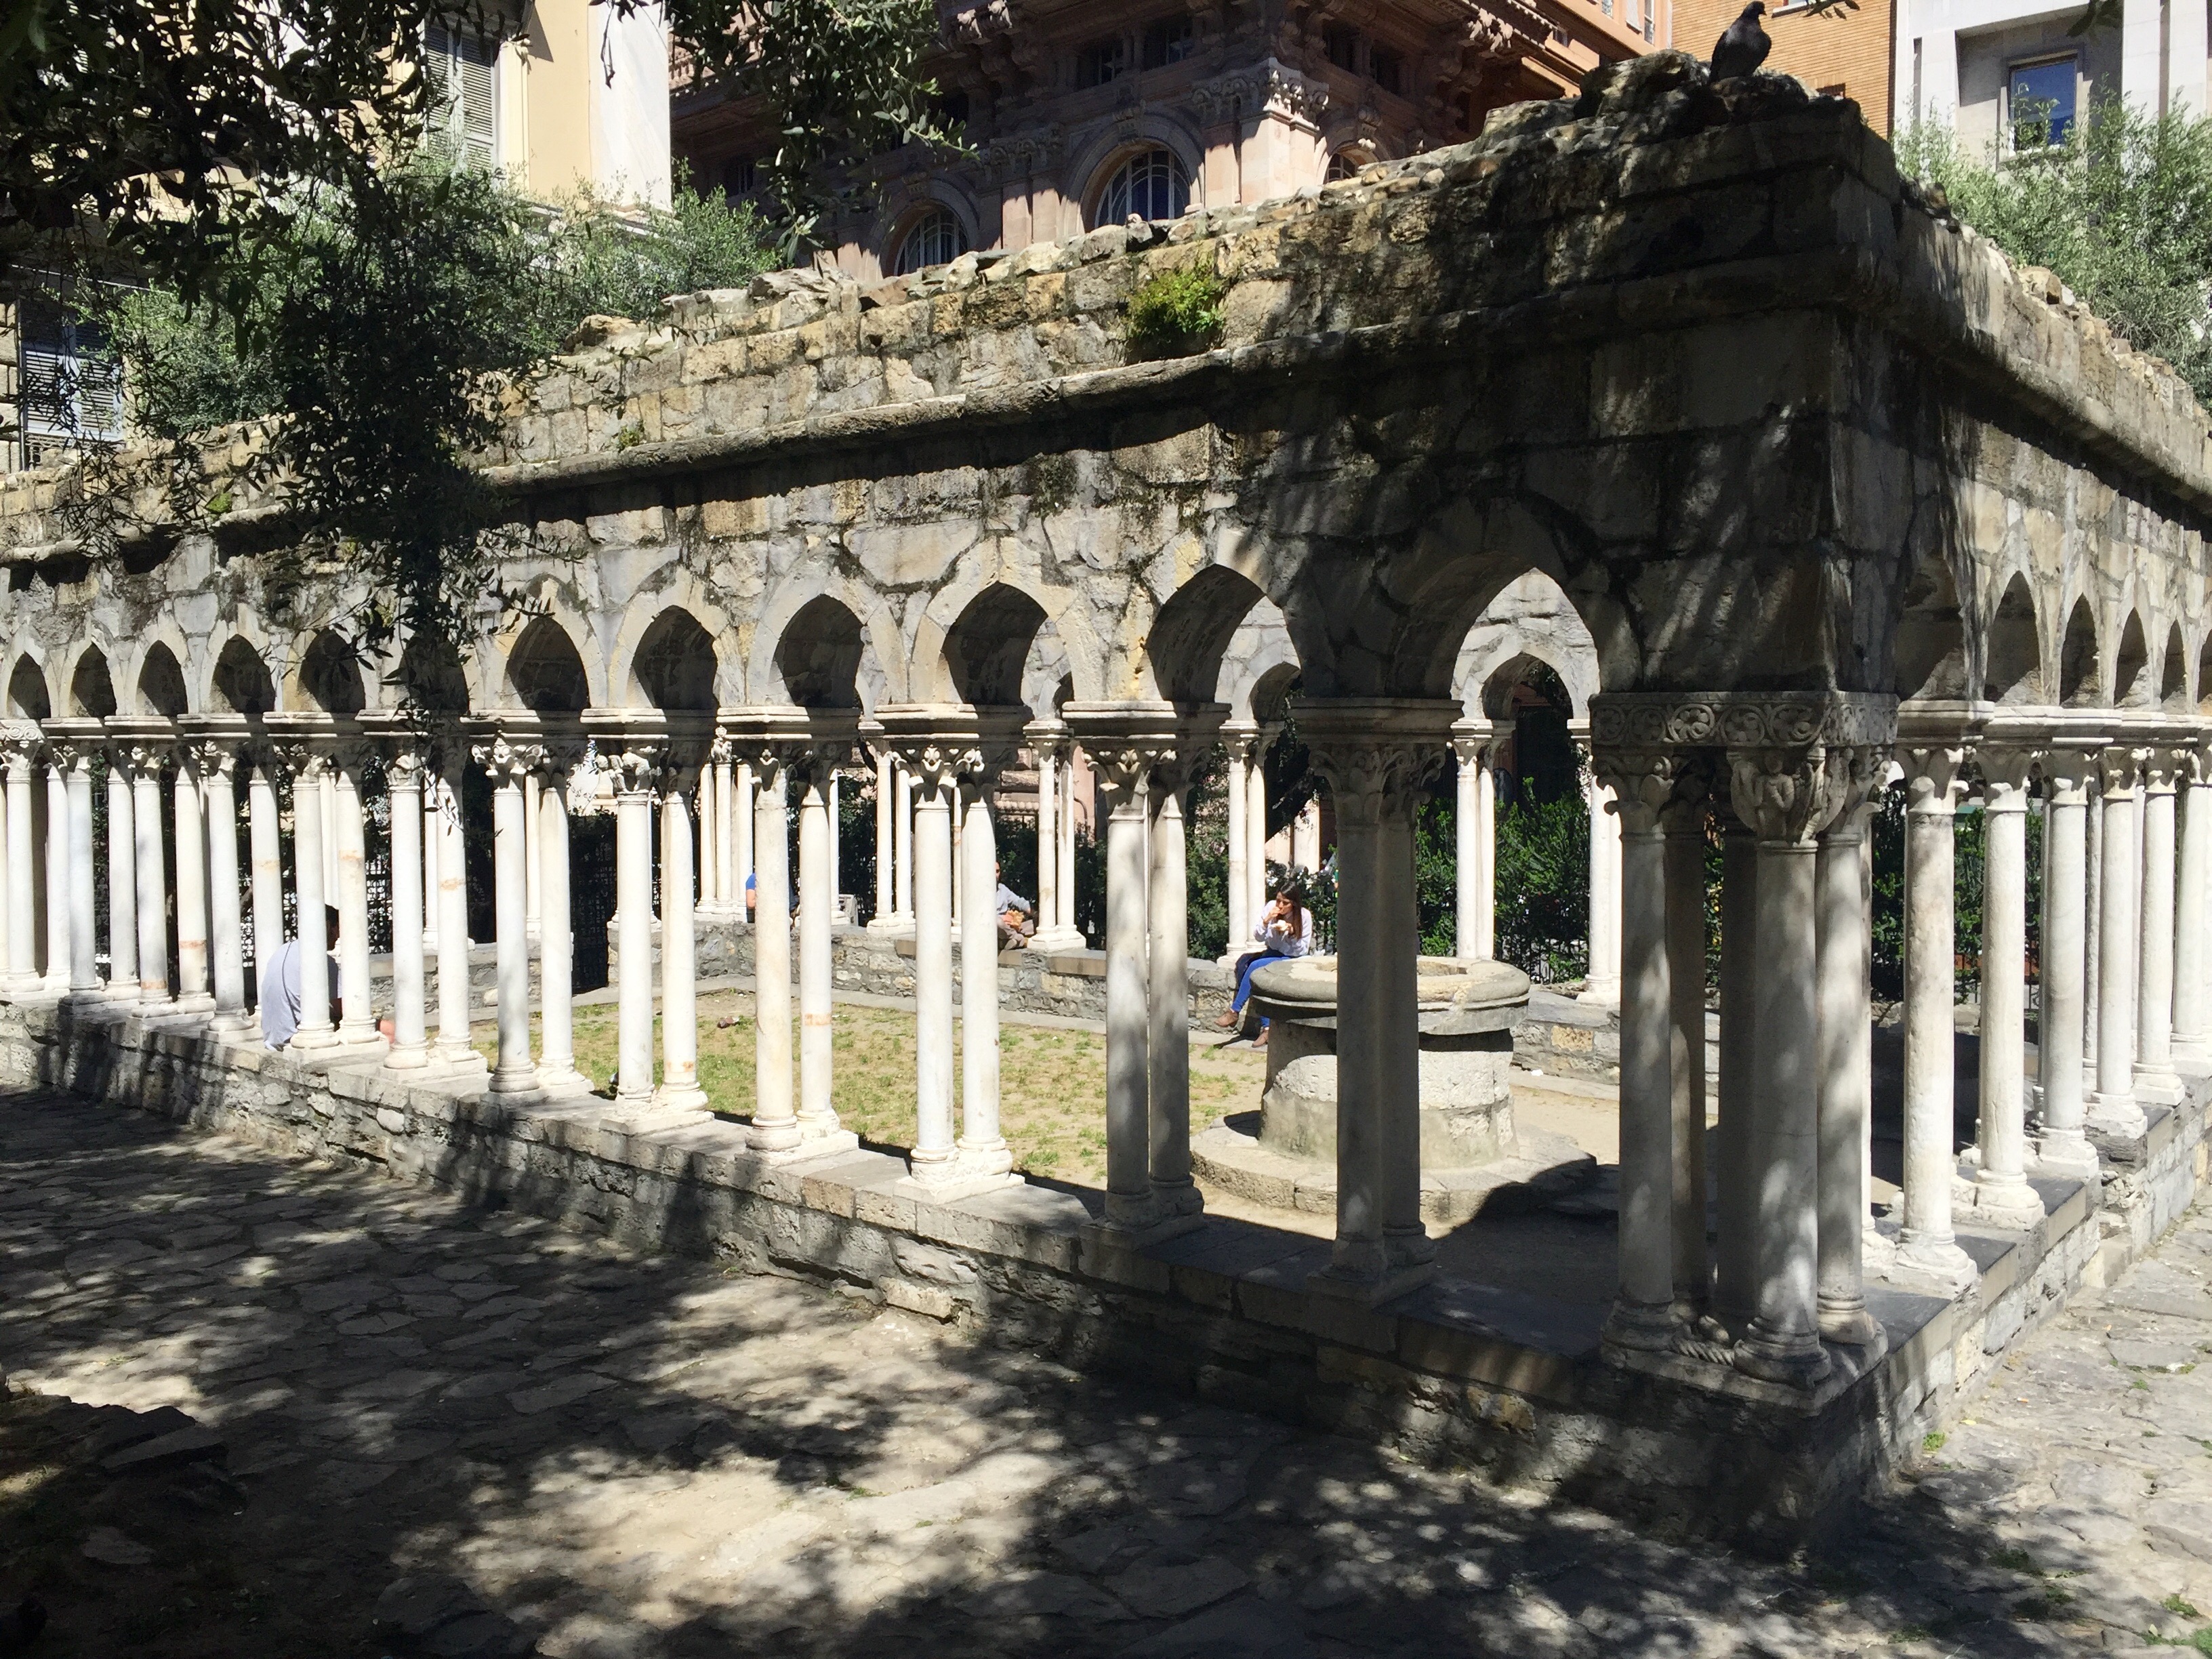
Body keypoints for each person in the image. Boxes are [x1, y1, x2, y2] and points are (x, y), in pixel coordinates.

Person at [260, 905, 392, 1049]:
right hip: (297, 1038)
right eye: (338, 929)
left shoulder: (283, 950)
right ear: (328, 926)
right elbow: (345, 1010)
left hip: (274, 1037)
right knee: (389, 1031)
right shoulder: (321, 961)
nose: (338, 936)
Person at [1214, 882, 1313, 1044]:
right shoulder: (1271, 908)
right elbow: (1258, 937)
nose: (1280, 906)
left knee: (1255, 967)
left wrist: (1291, 933)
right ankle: (1266, 1029)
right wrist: (1267, 921)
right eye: (1279, 900)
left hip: (1291, 957)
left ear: (1294, 904)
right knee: (1256, 974)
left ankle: (1234, 1011)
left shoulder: (1304, 916)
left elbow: (1301, 950)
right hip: (1272, 952)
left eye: (1285, 903)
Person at [994, 863, 1034, 949]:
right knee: (997, 922)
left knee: (1037, 923)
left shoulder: (1002, 889)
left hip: (1008, 928)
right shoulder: (979, 891)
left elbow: (1017, 901)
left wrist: (1031, 910)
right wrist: (1002, 918)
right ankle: (1018, 938)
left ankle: (1010, 942)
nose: (996, 875)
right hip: (994, 927)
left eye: (997, 871)